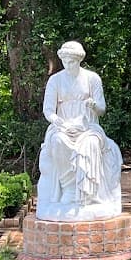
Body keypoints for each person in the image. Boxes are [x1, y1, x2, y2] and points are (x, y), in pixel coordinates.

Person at [37, 41, 123, 220]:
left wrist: (93, 105)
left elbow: (102, 109)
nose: (68, 65)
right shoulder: (55, 80)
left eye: (72, 61)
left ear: (79, 60)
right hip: (63, 126)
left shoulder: (92, 79)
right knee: (58, 141)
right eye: (65, 61)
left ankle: (88, 193)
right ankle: (69, 189)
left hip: (88, 127)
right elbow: (48, 110)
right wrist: (58, 122)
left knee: (91, 143)